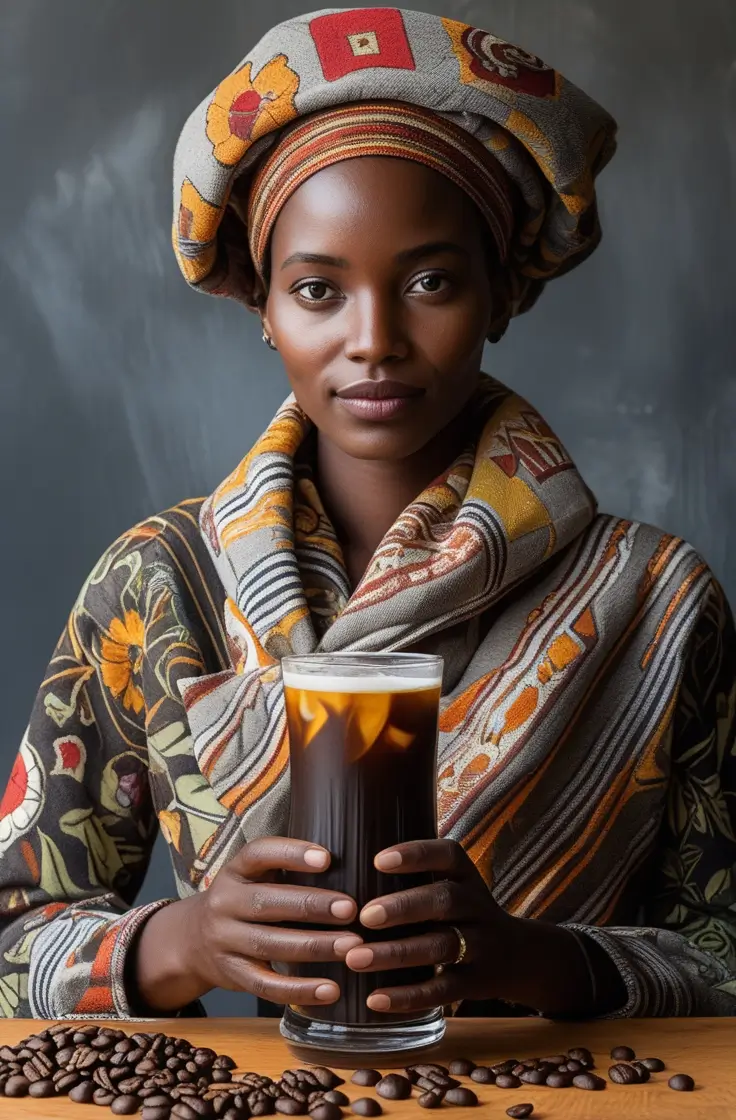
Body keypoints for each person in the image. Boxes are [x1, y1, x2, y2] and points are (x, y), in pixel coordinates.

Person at [0, 6, 734, 1024]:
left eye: (430, 281)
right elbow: (12, 934)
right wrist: (188, 937)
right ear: (261, 306)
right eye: (317, 290)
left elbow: (725, 952)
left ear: (501, 294)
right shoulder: (158, 589)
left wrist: (531, 961)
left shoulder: (656, 604)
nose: (374, 339)